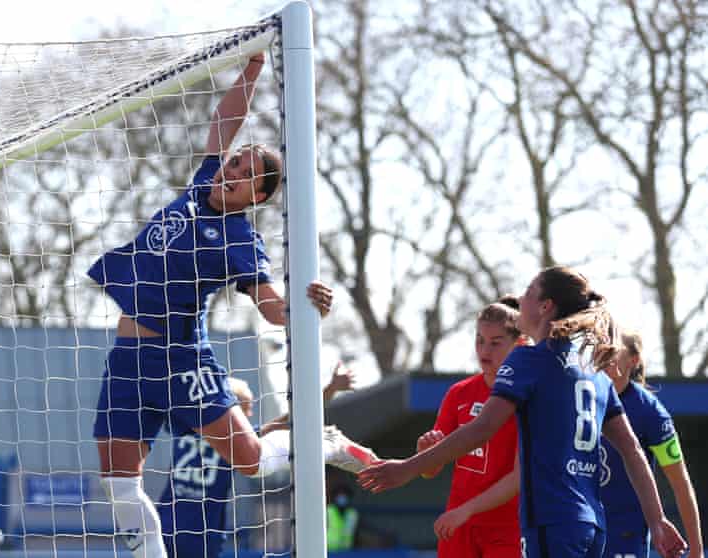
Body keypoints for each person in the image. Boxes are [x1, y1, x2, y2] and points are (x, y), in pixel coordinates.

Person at [88, 52, 373, 558]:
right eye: (236, 160)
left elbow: (268, 305)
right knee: (118, 483)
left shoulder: (239, 239)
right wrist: (253, 68)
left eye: (244, 172)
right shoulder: (201, 186)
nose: (232, 169)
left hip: (179, 360)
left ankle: (320, 442)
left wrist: (306, 310)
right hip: (127, 361)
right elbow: (223, 122)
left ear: (256, 196)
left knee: (252, 461)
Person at [357, 266, 687, 558]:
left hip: (550, 522)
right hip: (591, 525)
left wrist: (407, 469)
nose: (520, 298)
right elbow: (632, 450)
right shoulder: (594, 371)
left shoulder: (530, 360)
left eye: (529, 291)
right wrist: (657, 519)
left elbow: (481, 428)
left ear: (545, 306)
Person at [156, 364, 359, 558]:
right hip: (202, 534)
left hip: (165, 526)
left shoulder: (187, 426)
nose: (250, 413)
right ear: (231, 408)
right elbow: (291, 420)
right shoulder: (235, 441)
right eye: (247, 407)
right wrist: (331, 389)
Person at [417, 296, 524, 558]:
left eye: (496, 343)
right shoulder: (459, 394)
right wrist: (424, 451)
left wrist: (468, 510)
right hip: (458, 525)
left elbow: (519, 477)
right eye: (480, 341)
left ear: (518, 344)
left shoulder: (527, 397)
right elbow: (430, 470)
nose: (485, 351)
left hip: (507, 528)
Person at [600, 330, 703, 558]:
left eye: (613, 351)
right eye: (601, 348)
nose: (604, 356)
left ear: (633, 360)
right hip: (581, 532)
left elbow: (680, 483)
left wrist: (696, 551)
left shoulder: (651, 413)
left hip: (625, 538)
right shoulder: (583, 396)